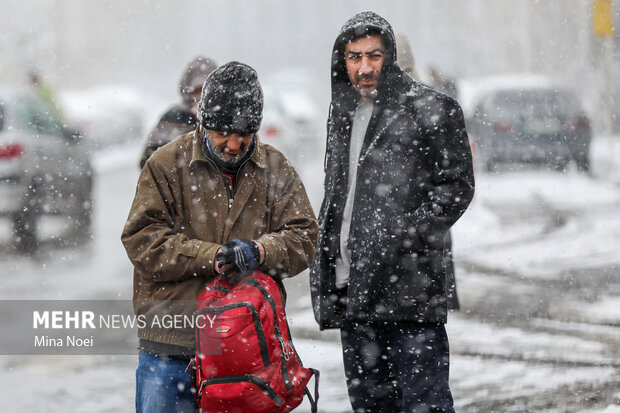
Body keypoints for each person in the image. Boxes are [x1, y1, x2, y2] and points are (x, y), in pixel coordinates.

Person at [122, 61, 318, 413]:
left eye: (244, 133)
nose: (233, 143)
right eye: (222, 132)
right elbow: (142, 239)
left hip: (246, 347)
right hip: (172, 342)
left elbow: (304, 236)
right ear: (203, 121)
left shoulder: (275, 167)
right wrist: (209, 256)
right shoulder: (165, 164)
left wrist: (260, 250)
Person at [310, 12, 475, 412]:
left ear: (391, 55)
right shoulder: (342, 115)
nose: (364, 67)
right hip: (354, 292)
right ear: (342, 60)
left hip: (409, 292)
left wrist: (402, 237)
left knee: (425, 404)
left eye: (374, 55)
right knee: (370, 404)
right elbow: (340, 195)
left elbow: (457, 187)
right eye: (354, 57)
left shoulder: (432, 109)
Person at [395, 31, 460, 311]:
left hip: (420, 252)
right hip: (425, 247)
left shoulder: (427, 111)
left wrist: (415, 230)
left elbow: (454, 184)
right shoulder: (428, 106)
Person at [139, 55, 218, 168]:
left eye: (205, 91)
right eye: (196, 91)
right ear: (187, 90)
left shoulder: (224, 117)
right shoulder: (173, 116)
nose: (200, 97)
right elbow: (147, 161)